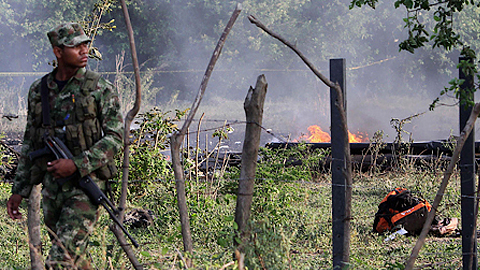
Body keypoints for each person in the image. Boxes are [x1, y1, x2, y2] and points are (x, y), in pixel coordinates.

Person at [6, 22, 124, 269]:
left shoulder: (100, 88)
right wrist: (20, 190)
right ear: (58, 51)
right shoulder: (39, 90)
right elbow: (30, 141)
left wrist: (76, 164)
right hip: (52, 187)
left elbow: (116, 137)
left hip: (85, 185)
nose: (84, 51)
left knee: (60, 258)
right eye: (76, 46)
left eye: (85, 45)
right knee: (76, 259)